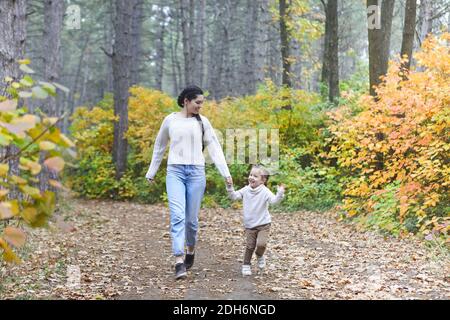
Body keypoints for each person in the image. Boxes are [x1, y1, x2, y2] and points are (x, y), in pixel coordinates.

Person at [146, 85, 233, 280]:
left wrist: (225, 173)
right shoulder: (170, 120)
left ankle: (190, 250)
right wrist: (151, 171)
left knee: (191, 222)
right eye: (197, 103)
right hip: (175, 172)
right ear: (186, 100)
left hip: (196, 173)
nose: (200, 106)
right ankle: (178, 261)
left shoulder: (203, 122)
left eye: (202, 103)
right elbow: (159, 146)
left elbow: (215, 148)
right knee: (177, 216)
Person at [226, 165, 285, 276]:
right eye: (251, 175)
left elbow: (274, 201)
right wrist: (230, 187)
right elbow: (234, 196)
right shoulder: (246, 190)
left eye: (255, 176)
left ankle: (259, 254)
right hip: (250, 225)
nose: (251, 177)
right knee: (250, 246)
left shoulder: (265, 191)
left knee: (261, 244)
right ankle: (246, 265)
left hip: (263, 224)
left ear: (263, 180)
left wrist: (280, 194)